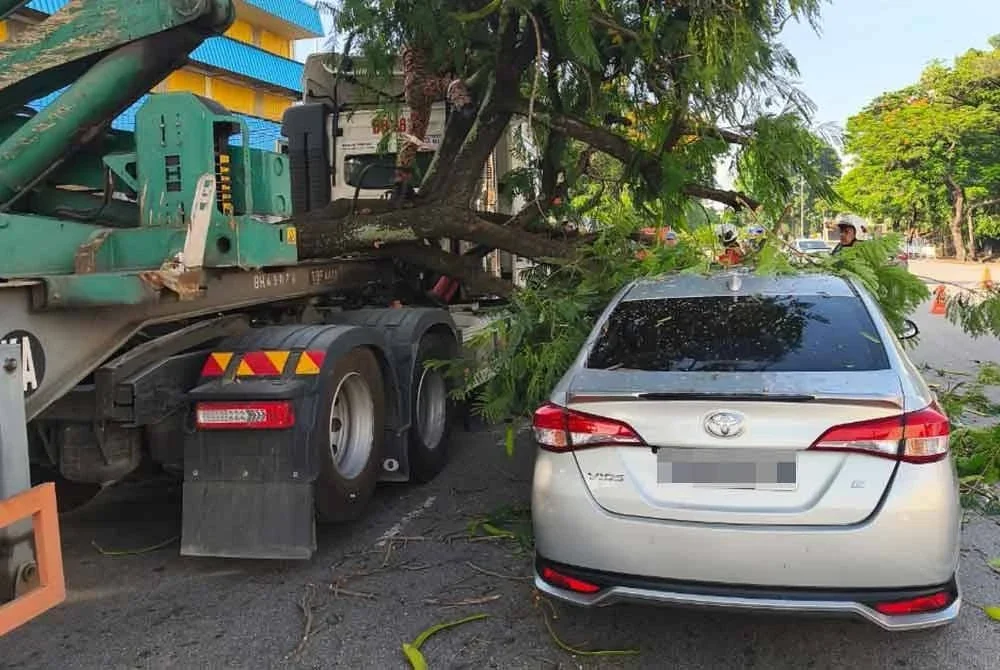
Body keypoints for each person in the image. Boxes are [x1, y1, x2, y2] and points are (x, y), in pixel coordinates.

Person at [390, 44, 476, 203]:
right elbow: (443, 60)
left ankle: (400, 184)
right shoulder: (428, 40)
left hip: (414, 93)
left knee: (414, 138)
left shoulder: (408, 47)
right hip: (422, 86)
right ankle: (465, 105)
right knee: (450, 84)